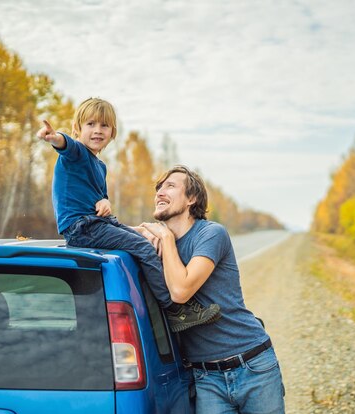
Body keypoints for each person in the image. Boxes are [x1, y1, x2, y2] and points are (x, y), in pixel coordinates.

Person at [36, 98, 220, 332]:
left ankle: (157, 295)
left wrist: (104, 201)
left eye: (104, 126)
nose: (97, 130)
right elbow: (66, 146)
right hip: (81, 227)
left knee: (144, 241)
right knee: (143, 248)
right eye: (90, 124)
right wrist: (55, 138)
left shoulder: (99, 166)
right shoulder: (78, 153)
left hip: (97, 221)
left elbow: (98, 197)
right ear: (77, 129)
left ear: (113, 133)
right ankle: (174, 310)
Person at [140, 165, 285, 414]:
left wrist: (165, 240)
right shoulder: (157, 241)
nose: (160, 192)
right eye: (159, 188)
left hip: (252, 365)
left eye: (170, 186)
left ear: (191, 199)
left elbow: (181, 290)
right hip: (206, 378)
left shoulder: (210, 234)